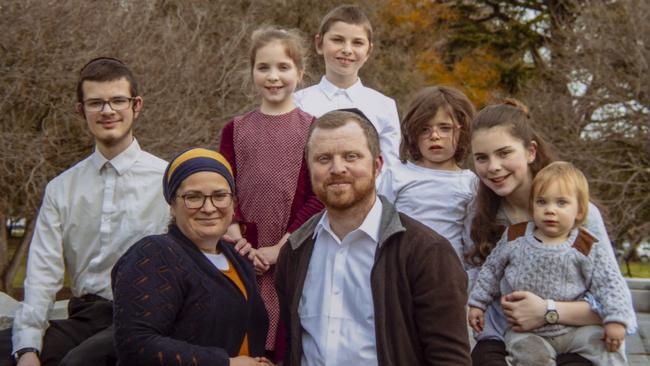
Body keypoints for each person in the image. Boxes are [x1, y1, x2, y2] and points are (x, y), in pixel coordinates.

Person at [0, 58, 170, 366]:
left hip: (144, 317)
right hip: (85, 315)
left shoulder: (168, 180)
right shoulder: (61, 188)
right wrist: (27, 349)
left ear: (137, 105)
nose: (107, 111)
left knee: (79, 363)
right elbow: (42, 276)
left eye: (118, 100)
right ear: (81, 111)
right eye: (96, 103)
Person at [275, 110, 471, 366]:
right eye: (323, 159)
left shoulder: (426, 252)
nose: (337, 168)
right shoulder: (295, 251)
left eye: (351, 156)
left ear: (377, 165)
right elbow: (293, 347)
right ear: (310, 170)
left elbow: (449, 358)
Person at [466, 99, 636, 366]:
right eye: (482, 158)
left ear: (530, 151)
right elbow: (478, 285)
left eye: (504, 153)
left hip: (575, 334)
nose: (493, 167)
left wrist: (547, 311)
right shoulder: (480, 217)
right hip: (509, 337)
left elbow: (612, 296)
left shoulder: (580, 216)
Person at [218, 27, 323, 360]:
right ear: (251, 72)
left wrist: (280, 247)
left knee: (284, 342)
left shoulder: (313, 128)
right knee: (241, 336)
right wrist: (236, 236)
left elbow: (318, 197)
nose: (273, 76)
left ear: (300, 73)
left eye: (283, 67)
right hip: (241, 254)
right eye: (263, 68)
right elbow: (222, 186)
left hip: (291, 254)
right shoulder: (235, 129)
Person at [111, 148, 271, 366]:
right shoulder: (156, 254)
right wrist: (228, 364)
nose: (208, 207)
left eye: (219, 196)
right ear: (172, 206)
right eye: (193, 197)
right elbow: (137, 345)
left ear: (233, 203)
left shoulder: (238, 259)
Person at [378, 85, 478, 262]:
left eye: (445, 128)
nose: (435, 136)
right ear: (413, 133)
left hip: (449, 270)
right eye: (425, 129)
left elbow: (471, 240)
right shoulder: (397, 174)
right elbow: (380, 226)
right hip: (403, 267)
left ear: (462, 131)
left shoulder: (469, 182)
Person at [294, 4, 401, 168]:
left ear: (368, 52)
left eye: (357, 43)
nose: (347, 50)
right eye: (338, 40)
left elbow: (390, 168)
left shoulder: (384, 106)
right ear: (319, 44)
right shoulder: (298, 103)